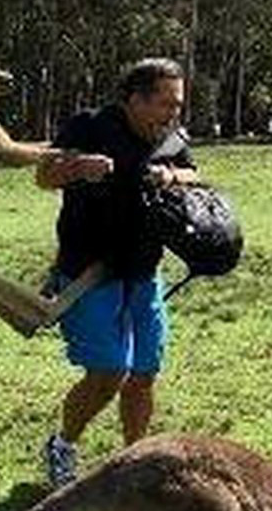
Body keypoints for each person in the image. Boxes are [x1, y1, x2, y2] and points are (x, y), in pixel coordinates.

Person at [35, 58, 200, 487]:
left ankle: (134, 465)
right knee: (109, 373)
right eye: (166, 104)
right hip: (89, 272)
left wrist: (171, 174)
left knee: (143, 375)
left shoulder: (168, 139)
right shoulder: (89, 126)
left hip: (144, 271)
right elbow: (43, 176)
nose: (173, 114)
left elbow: (194, 173)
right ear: (134, 99)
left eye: (177, 105)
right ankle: (63, 445)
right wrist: (77, 168)